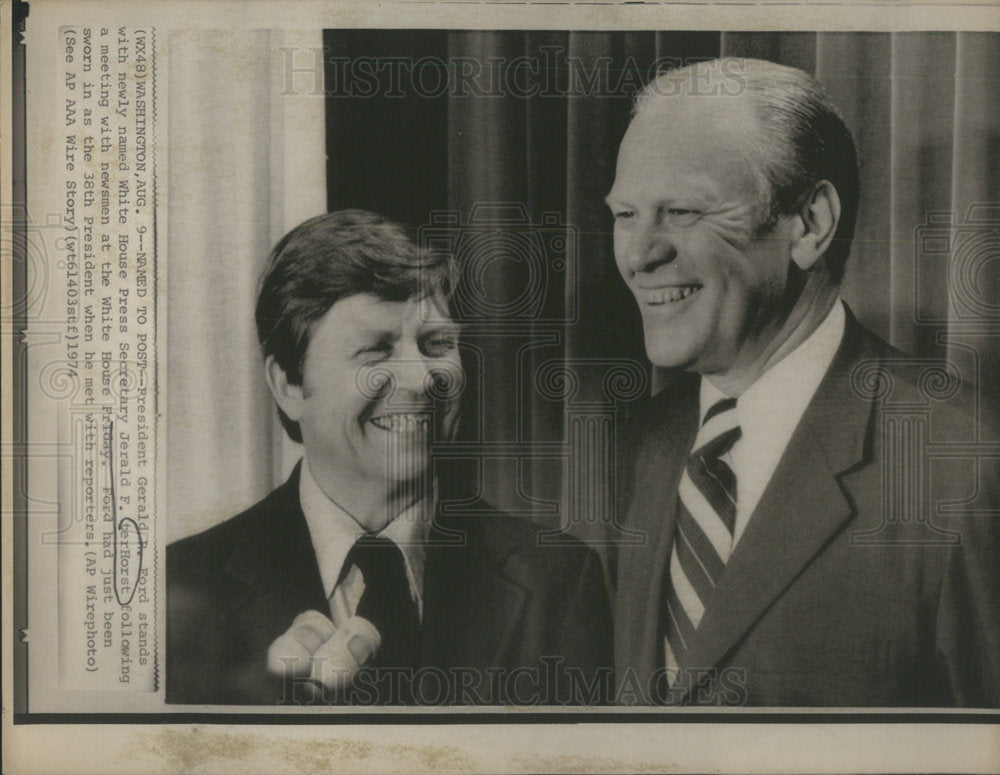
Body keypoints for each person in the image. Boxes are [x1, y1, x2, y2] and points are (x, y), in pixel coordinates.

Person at [605, 58, 1000, 706]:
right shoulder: (640, 446)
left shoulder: (964, 467)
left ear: (809, 224)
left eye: (680, 210)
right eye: (624, 213)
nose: (639, 253)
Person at [167, 209, 612, 705]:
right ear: (288, 384)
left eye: (436, 344)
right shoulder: (180, 590)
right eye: (377, 350)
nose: (422, 378)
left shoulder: (560, 584)